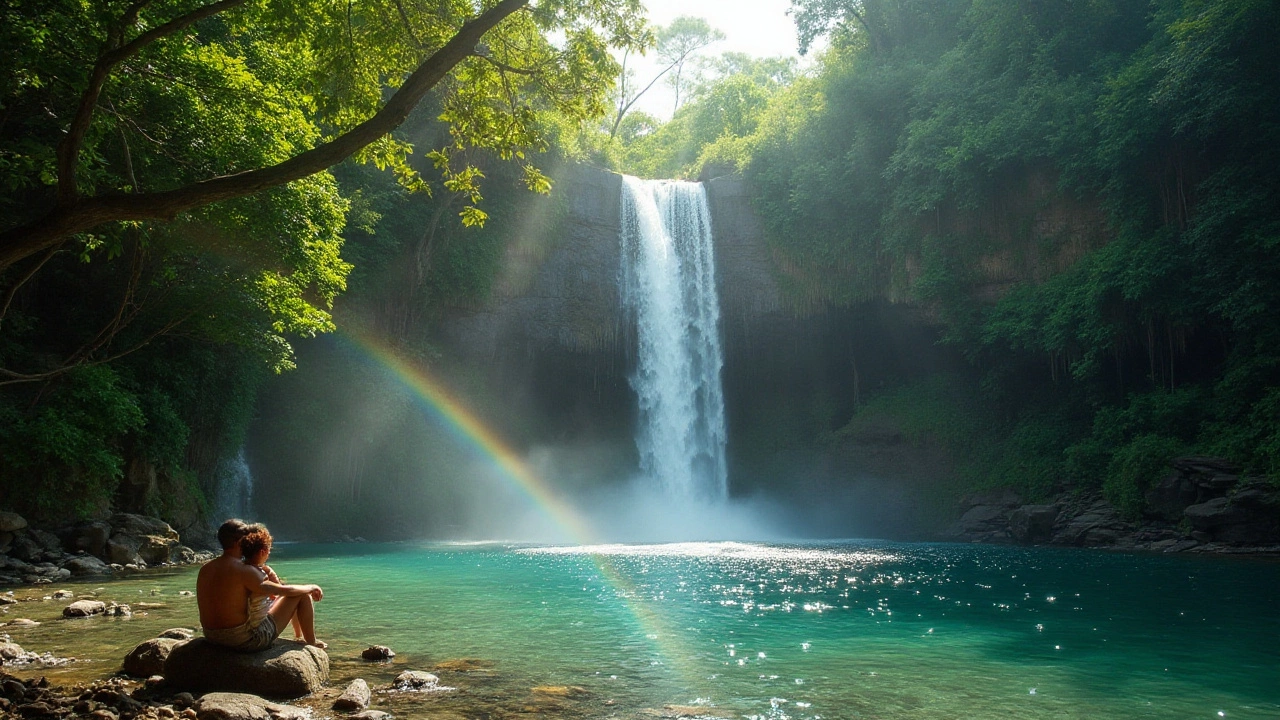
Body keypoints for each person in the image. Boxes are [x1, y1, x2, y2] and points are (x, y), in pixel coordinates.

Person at [196, 519, 326, 651]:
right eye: (247, 538)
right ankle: (311, 643)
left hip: (211, 636)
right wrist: (311, 587)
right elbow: (281, 591)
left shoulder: (205, 568)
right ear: (239, 542)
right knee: (302, 595)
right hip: (244, 640)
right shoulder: (244, 570)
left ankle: (300, 637)